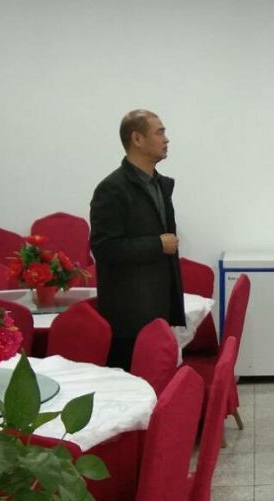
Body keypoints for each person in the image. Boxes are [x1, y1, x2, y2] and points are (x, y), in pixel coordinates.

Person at [89, 109, 185, 370]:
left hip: (158, 307)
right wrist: (157, 244)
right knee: (133, 385)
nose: (166, 139)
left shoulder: (159, 185)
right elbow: (104, 248)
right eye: (160, 132)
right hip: (129, 316)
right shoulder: (112, 189)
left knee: (158, 384)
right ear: (137, 139)